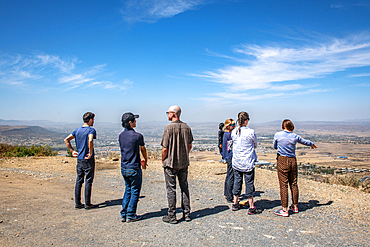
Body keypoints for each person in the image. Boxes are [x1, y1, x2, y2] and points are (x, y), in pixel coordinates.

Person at [273, 119, 318, 217]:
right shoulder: (295, 136)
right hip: (293, 160)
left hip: (282, 160)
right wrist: (312, 144)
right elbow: (305, 141)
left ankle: (284, 209)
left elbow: (274, 146)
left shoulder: (278, 135)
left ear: (283, 126)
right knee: (294, 183)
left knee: (283, 185)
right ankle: (295, 206)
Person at [161, 105, 193, 224]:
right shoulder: (187, 127)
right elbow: (189, 146)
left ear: (173, 114)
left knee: (171, 189)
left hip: (170, 163)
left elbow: (165, 148)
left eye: (168, 113)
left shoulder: (168, 128)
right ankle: (187, 213)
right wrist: (184, 155)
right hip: (183, 163)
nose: (167, 115)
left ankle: (172, 215)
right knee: (184, 187)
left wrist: (163, 159)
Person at [64, 112, 97, 210]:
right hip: (88, 159)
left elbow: (66, 140)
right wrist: (90, 153)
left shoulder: (77, 130)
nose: (94, 121)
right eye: (93, 119)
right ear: (90, 120)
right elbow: (90, 140)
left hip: (79, 159)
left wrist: (72, 151)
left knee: (79, 180)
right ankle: (87, 203)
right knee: (88, 181)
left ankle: (78, 203)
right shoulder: (91, 130)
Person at [231, 112, 262, 214]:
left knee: (237, 181)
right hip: (248, 161)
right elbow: (255, 144)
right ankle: (251, 206)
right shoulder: (251, 132)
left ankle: (235, 203)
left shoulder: (234, 131)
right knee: (249, 183)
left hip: (237, 161)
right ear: (246, 120)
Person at [119, 112, 148, 222]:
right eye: (134, 120)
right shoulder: (138, 136)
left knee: (128, 189)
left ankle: (124, 213)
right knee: (135, 191)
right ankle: (130, 214)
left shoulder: (121, 135)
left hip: (124, 167)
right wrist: (145, 159)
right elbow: (143, 149)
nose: (136, 122)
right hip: (134, 167)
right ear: (130, 122)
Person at [222, 119, 235, 203]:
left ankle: (227, 193)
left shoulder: (225, 134)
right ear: (228, 126)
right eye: (232, 125)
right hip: (230, 156)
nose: (234, 126)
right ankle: (229, 196)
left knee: (228, 175)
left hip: (227, 156)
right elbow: (230, 147)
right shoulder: (228, 135)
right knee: (231, 176)